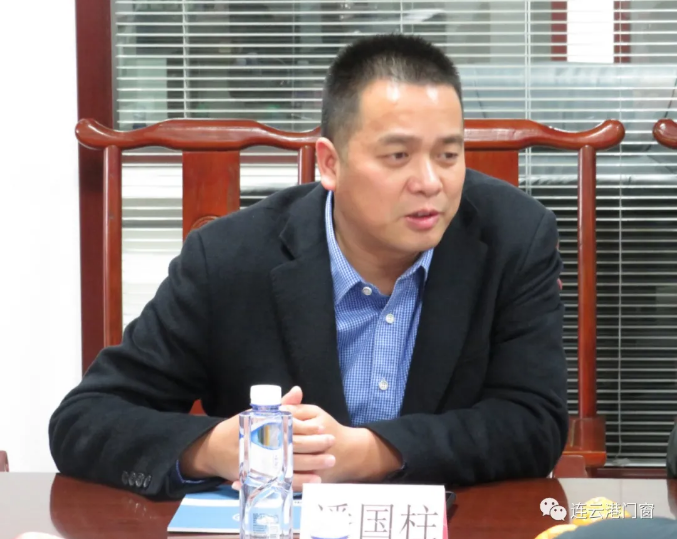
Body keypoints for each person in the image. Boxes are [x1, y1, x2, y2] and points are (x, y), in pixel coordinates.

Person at [49, 34, 568, 499]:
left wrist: (369, 453)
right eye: (397, 156)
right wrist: (214, 448)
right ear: (330, 162)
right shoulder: (229, 257)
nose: (430, 182)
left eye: (449, 155)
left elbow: (533, 423)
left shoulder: (514, 238)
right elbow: (85, 419)